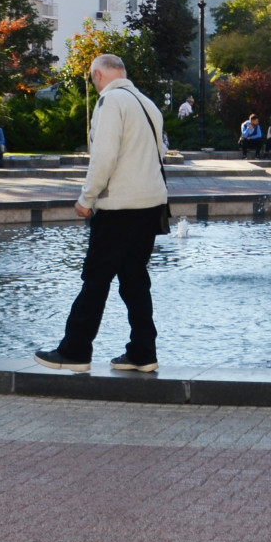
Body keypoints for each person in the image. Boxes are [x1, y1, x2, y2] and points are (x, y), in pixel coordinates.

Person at [36, 53, 170, 374]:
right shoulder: (147, 103)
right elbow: (161, 152)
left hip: (119, 207)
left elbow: (104, 156)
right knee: (134, 280)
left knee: (95, 278)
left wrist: (86, 198)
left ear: (97, 75)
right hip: (151, 206)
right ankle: (142, 352)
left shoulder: (110, 102)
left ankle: (75, 351)